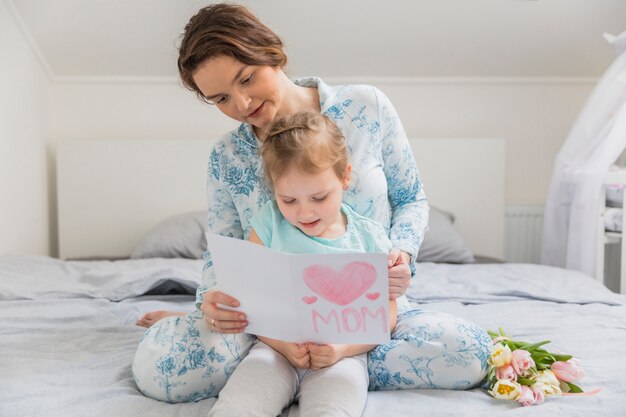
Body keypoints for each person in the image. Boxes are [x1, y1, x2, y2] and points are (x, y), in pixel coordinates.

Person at [132, 3, 491, 404]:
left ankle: (333, 361)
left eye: (247, 78)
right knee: (162, 372)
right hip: (269, 322)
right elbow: (226, 249)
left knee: (472, 352)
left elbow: (410, 199)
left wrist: (400, 257)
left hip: (365, 311)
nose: (242, 103)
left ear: (270, 51)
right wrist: (214, 304)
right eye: (221, 98)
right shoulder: (226, 156)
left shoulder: (365, 108)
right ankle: (289, 360)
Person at [209, 111, 402, 417]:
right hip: (274, 350)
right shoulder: (269, 224)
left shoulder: (370, 238)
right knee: (237, 405)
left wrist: (341, 349)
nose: (304, 213)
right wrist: (283, 345)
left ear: (345, 177)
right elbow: (251, 301)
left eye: (319, 197)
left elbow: (386, 316)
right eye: (288, 200)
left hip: (342, 357)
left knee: (333, 410)